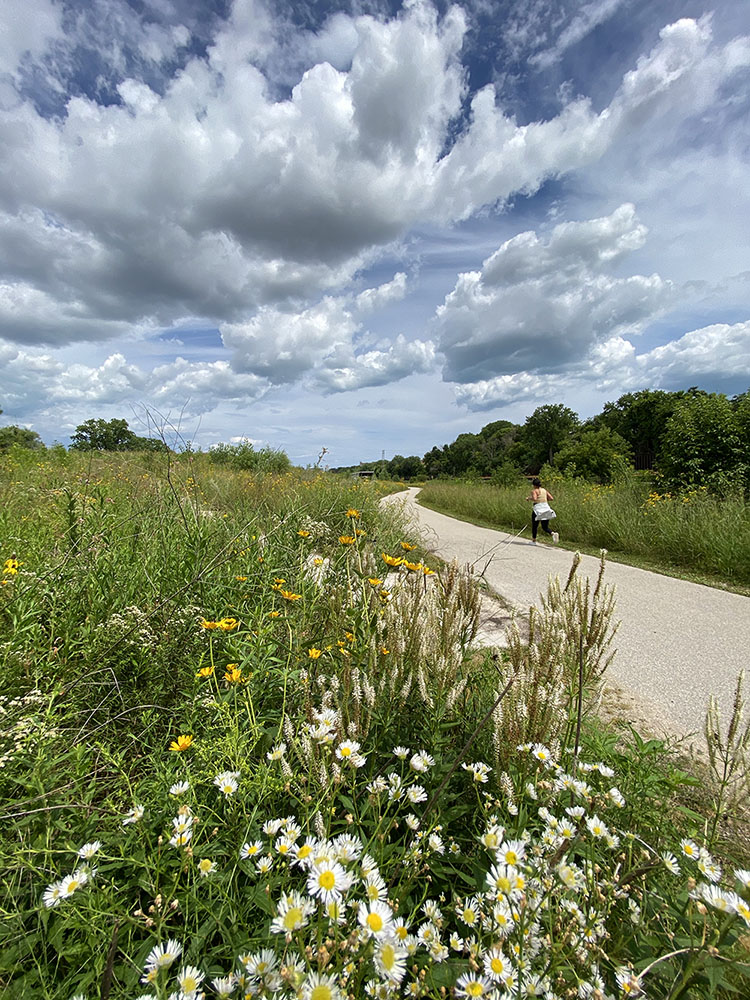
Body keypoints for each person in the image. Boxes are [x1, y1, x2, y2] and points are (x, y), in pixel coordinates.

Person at [526, 477, 559, 544]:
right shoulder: (544, 490)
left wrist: (528, 498)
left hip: (538, 509)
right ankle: (552, 533)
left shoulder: (534, 491)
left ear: (534, 485)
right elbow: (551, 498)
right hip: (546, 508)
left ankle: (534, 541)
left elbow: (535, 498)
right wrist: (543, 499)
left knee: (535, 525)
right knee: (544, 526)